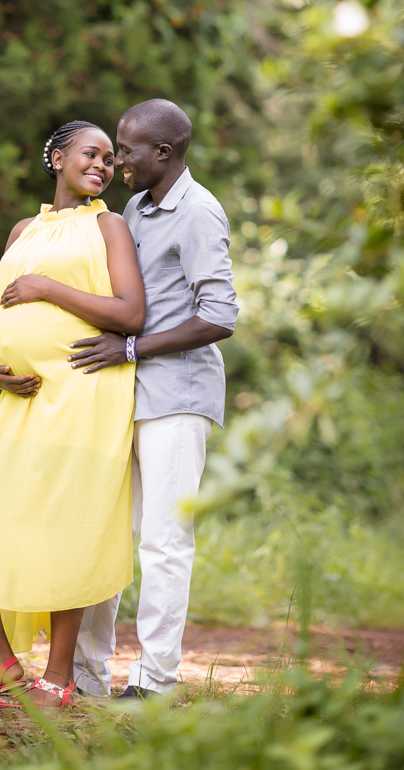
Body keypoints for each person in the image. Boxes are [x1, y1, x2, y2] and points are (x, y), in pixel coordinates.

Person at [0, 120, 145, 709]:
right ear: (57, 157)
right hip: (19, 399)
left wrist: (48, 287)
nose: (102, 165)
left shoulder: (108, 225)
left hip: (85, 392)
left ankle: (59, 677)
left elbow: (130, 312)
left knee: (67, 522)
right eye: (89, 154)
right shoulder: (23, 229)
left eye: (108, 159)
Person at [69, 99, 238, 700]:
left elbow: (220, 316)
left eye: (129, 148)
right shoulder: (134, 209)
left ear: (163, 153)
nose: (119, 158)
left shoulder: (199, 212)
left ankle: (156, 681)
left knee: (163, 541)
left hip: (178, 396)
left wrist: (133, 349)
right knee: (104, 534)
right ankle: (85, 675)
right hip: (121, 397)